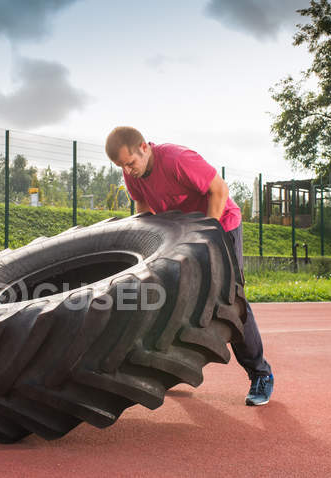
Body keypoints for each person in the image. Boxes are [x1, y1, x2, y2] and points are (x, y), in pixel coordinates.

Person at [105, 126, 274, 406]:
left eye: (131, 162)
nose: (128, 170)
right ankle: (168, 367)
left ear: (144, 148)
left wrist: (206, 237)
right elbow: (143, 207)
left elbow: (218, 190)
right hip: (182, 234)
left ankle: (261, 374)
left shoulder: (177, 160)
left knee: (230, 301)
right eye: (122, 166)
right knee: (168, 297)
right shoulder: (131, 172)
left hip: (220, 226)